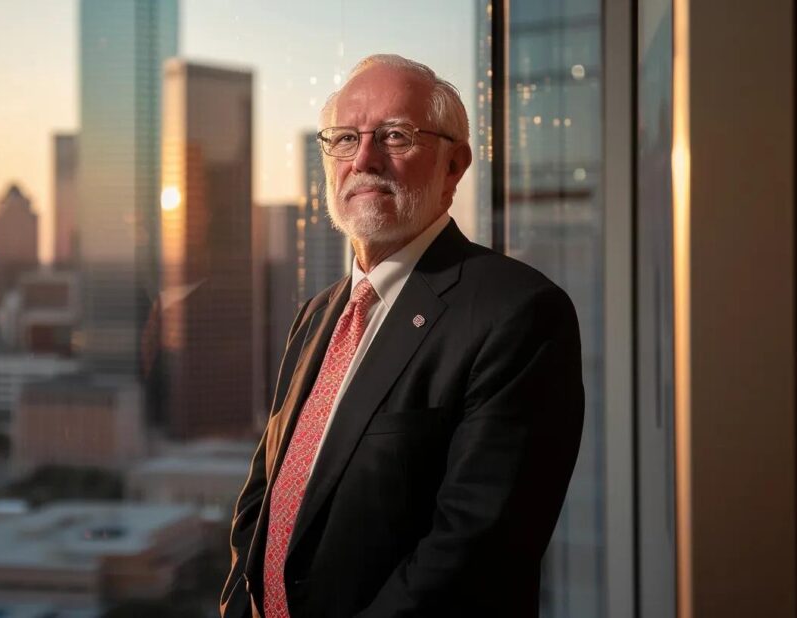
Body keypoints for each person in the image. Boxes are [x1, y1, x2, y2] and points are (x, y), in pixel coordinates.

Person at [220, 54, 584, 618]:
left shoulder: (519, 314)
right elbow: (264, 496)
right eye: (344, 138)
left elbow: (475, 549)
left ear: (454, 164)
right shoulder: (318, 315)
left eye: (394, 136)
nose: (364, 159)